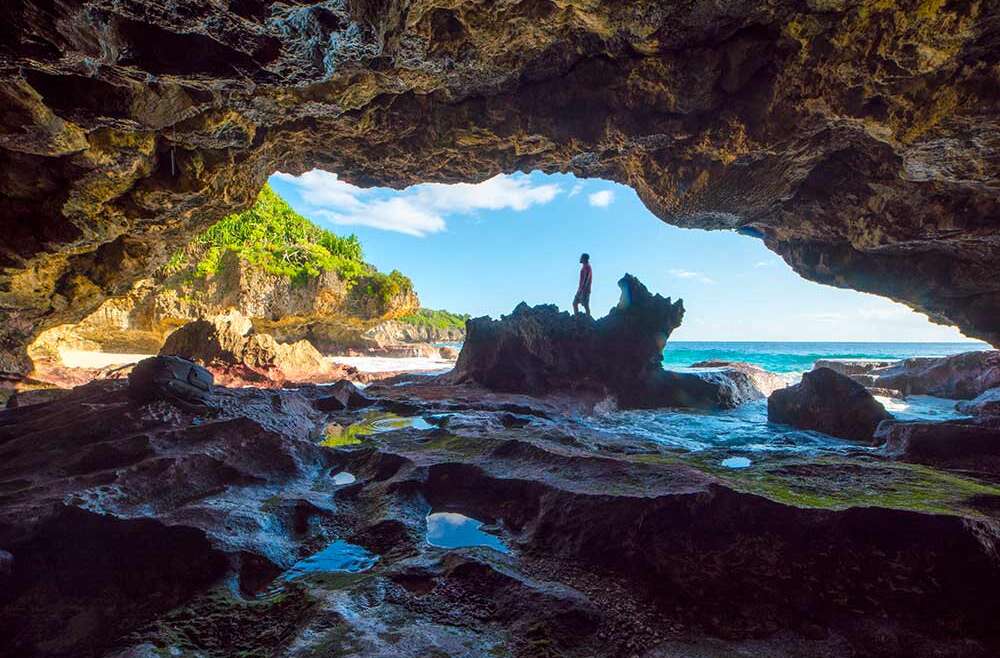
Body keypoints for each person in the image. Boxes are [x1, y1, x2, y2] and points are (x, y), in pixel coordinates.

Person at [573, 253, 592, 317]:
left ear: (584, 259)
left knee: (585, 305)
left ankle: (587, 320)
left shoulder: (587, 267)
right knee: (575, 303)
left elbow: (587, 278)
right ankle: (577, 318)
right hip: (581, 289)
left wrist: (582, 290)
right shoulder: (585, 267)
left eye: (581, 257)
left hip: (584, 290)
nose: (580, 259)